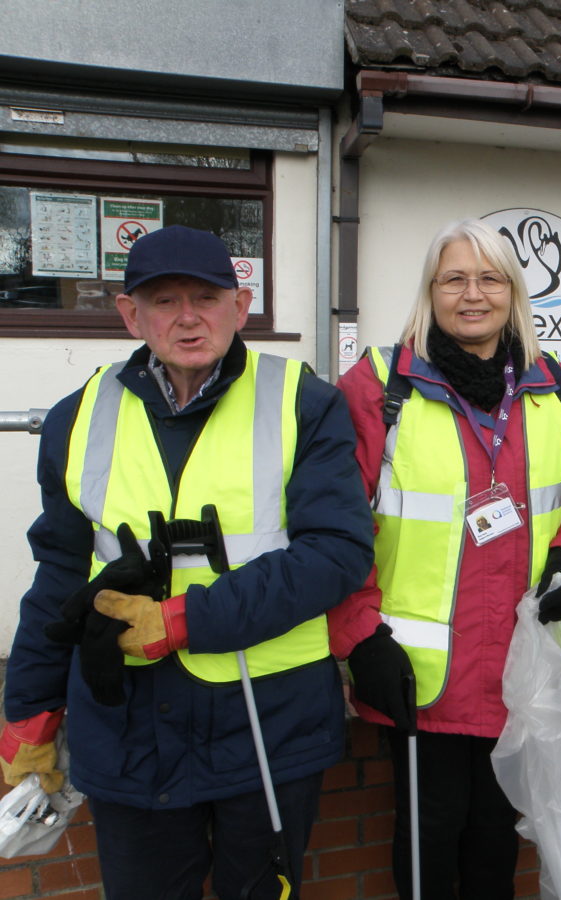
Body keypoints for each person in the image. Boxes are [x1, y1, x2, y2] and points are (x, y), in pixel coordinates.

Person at [0, 226, 375, 899]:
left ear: (242, 304)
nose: (188, 316)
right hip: (126, 725)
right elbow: (57, 570)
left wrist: (184, 619)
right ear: (130, 315)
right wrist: (30, 707)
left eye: (207, 297)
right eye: (164, 300)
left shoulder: (305, 405)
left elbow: (336, 553)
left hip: (267, 723)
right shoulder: (75, 418)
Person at [328, 219, 561, 899]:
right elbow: (333, 521)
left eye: (490, 279)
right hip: (420, 678)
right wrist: (359, 637)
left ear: (514, 292)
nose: (472, 294)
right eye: (454, 278)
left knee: (494, 840)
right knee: (427, 839)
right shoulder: (376, 389)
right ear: (430, 292)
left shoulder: (559, 389)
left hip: (520, 668)